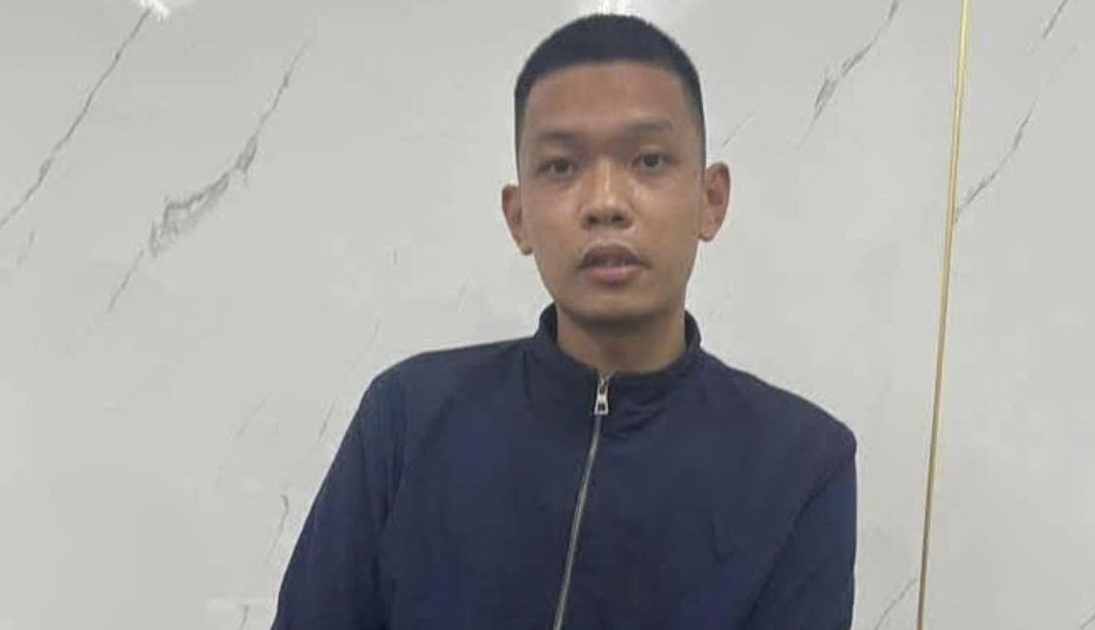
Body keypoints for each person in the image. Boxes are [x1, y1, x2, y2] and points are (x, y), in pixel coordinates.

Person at [271, 13, 857, 630]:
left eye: (649, 160)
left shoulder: (801, 462)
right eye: (561, 167)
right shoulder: (406, 418)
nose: (605, 203)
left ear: (710, 201)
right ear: (518, 216)